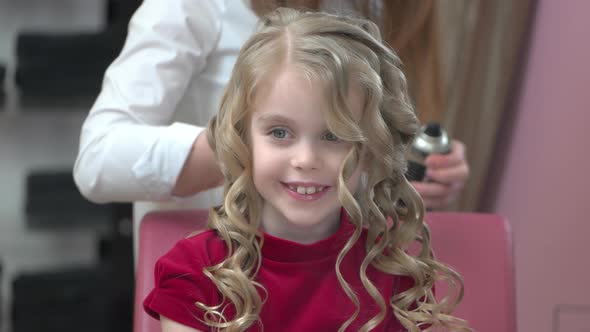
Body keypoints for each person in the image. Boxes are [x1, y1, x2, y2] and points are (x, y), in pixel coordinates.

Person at [143, 8, 472, 331]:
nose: (306, 159)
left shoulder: (396, 276)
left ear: (372, 149)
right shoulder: (196, 272)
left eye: (334, 135)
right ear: (242, 139)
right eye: (280, 133)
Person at [73, 0, 469, 255]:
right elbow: (98, 159)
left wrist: (410, 167)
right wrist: (239, 143)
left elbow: (359, 156)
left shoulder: (364, 14)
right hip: (217, 277)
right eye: (281, 132)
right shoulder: (190, 8)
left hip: (332, 267)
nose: (306, 158)